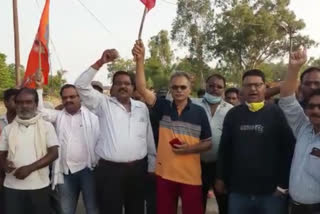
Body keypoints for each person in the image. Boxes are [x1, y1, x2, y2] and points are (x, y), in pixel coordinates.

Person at [133, 40, 212, 214]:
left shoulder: (199, 112)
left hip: (191, 176)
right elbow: (141, 87)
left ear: (189, 89)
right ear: (170, 88)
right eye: (175, 87)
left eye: (183, 87)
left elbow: (208, 143)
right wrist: (140, 60)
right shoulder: (163, 107)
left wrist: (190, 148)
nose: (179, 90)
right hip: (165, 175)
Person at [75, 49, 156, 214]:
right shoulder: (103, 104)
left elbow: (147, 139)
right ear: (112, 87)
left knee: (136, 210)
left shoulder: (141, 108)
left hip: (138, 170)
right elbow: (80, 86)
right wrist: (101, 62)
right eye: (118, 83)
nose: (123, 86)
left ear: (133, 87)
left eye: (127, 83)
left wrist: (152, 167)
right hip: (109, 172)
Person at [216, 69, 295, 214]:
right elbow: (225, 149)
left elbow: (289, 150)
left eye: (257, 85)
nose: (253, 89)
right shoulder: (233, 114)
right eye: (248, 85)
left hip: (271, 194)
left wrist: (283, 185)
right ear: (242, 89)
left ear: (265, 87)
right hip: (239, 192)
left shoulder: (277, 113)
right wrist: (220, 177)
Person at [36, 82, 100, 214]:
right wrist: (39, 88)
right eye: (65, 98)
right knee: (66, 210)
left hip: (89, 170)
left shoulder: (93, 116)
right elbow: (39, 112)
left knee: (92, 209)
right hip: (66, 173)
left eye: (72, 97)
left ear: (79, 97)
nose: (68, 100)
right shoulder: (59, 116)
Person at [0, 88, 59, 214]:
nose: (24, 106)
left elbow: (54, 153)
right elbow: (2, 153)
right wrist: (4, 164)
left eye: (28, 102)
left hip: (39, 186)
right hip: (12, 186)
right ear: (15, 104)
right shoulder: (8, 129)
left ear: (36, 104)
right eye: (20, 102)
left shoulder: (46, 127)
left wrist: (30, 168)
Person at [279, 48, 320, 214]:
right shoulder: (303, 128)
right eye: (311, 107)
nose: (315, 110)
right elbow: (287, 100)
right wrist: (293, 69)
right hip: (294, 207)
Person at [194, 74, 233, 214]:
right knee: (197, 204)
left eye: (219, 86)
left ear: (224, 89)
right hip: (196, 164)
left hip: (220, 166)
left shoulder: (231, 110)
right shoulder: (193, 104)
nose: (214, 89)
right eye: (211, 85)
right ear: (205, 86)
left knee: (224, 204)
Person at [0, 88, 19, 213]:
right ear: (6, 103)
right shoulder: (0, 122)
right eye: (14, 100)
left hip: (21, 171)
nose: (18, 103)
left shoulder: (26, 122)